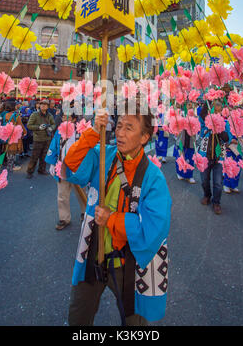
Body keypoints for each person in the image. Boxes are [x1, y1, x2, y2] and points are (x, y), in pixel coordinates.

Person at [63, 99, 172, 326]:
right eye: (120, 125)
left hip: (128, 265)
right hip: (93, 253)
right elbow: (71, 167)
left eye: (129, 128)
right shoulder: (104, 155)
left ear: (144, 138)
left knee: (134, 324)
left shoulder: (154, 178)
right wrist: (92, 132)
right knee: (77, 317)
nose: (121, 133)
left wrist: (112, 220)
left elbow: (154, 228)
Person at [45, 114, 86, 230]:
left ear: (73, 119)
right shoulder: (59, 131)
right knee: (62, 195)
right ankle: (64, 218)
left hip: (78, 168)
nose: (64, 120)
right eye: (63, 117)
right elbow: (53, 147)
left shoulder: (81, 131)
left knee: (82, 193)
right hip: (62, 167)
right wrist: (52, 164)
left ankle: (85, 213)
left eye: (67, 118)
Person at [199, 100, 230, 215]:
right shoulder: (206, 121)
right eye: (214, 110)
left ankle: (216, 202)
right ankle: (207, 195)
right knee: (204, 180)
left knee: (218, 183)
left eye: (219, 111)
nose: (217, 113)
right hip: (205, 156)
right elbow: (202, 115)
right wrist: (209, 99)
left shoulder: (225, 122)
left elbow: (228, 138)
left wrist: (220, 130)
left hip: (218, 157)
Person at [26, 99, 55, 179]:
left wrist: (51, 128)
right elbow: (29, 125)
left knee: (44, 156)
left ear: (47, 106)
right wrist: (38, 127)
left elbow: (53, 124)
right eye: (42, 104)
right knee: (34, 156)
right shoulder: (34, 114)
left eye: (45, 104)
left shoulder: (49, 115)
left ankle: (41, 170)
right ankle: (30, 171)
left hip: (47, 139)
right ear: (39, 105)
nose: (43, 105)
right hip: (38, 139)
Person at [2, 101, 27, 172]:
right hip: (14, 135)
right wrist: (25, 132)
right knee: (13, 151)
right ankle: (12, 166)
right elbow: (20, 125)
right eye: (15, 105)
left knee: (8, 150)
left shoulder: (5, 114)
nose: (16, 106)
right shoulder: (16, 115)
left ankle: (8, 165)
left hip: (7, 134)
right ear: (13, 107)